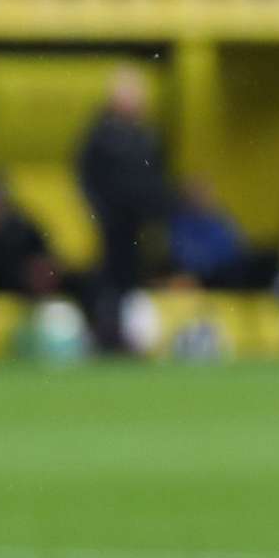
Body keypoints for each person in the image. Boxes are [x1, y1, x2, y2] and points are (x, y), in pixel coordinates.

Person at [74, 65, 170, 356]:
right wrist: (98, 209)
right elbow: (85, 175)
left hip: (138, 223)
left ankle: (129, 337)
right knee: (110, 279)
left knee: (133, 280)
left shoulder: (146, 135)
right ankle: (107, 335)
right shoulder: (102, 135)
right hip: (111, 221)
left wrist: (155, 212)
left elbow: (156, 175)